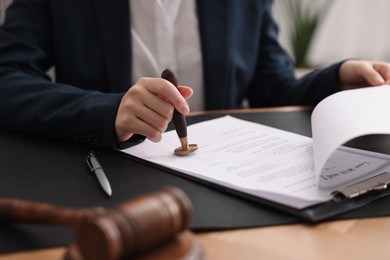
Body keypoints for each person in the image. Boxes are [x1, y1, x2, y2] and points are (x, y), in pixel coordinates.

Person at [0, 0, 389, 149]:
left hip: (228, 192)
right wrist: (107, 110)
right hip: (105, 185)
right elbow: (7, 77)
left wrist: (336, 80)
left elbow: (274, 87)